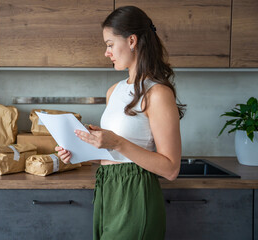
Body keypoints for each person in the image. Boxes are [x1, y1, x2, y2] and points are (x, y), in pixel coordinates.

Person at [55, 6, 185, 240]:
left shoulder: (157, 93)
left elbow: (171, 168)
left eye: (110, 44)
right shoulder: (114, 91)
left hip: (135, 194)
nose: (107, 52)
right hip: (107, 188)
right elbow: (113, 156)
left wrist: (116, 142)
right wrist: (79, 151)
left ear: (132, 40)